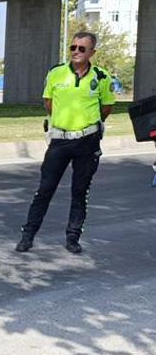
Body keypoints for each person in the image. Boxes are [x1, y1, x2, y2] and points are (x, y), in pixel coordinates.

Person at [15, 32, 115, 254]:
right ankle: (28, 235)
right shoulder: (56, 73)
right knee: (45, 189)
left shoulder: (101, 77)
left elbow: (106, 108)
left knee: (80, 192)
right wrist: (63, 122)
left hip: (87, 143)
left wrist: (87, 125)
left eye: (82, 48)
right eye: (73, 47)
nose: (76, 52)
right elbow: (48, 103)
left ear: (92, 52)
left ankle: (73, 237)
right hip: (60, 141)